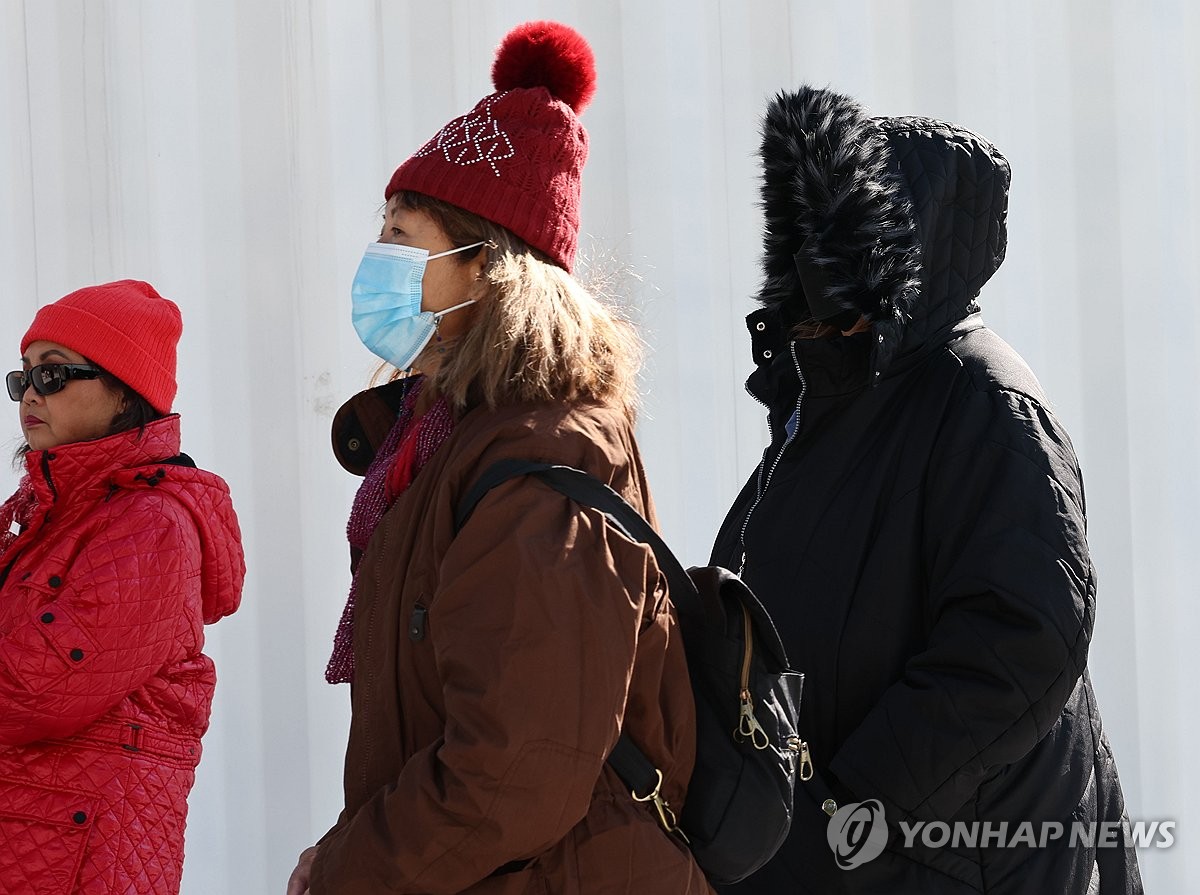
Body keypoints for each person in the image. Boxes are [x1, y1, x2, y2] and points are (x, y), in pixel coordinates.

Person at [286, 21, 711, 895]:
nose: (379, 260)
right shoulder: (442, 439)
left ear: (486, 267)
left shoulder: (539, 461)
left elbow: (515, 771)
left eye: (404, 237)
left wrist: (345, 871)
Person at [710, 86, 1143, 894]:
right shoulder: (826, 412)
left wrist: (843, 816)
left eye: (842, 240)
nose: (811, 272)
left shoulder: (981, 401)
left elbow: (1020, 641)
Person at [0, 279, 245, 894]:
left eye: (53, 375)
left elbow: (34, 689)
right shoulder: (44, 517)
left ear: (124, 393)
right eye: (22, 377)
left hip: (80, 864)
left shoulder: (151, 524)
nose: (31, 392)